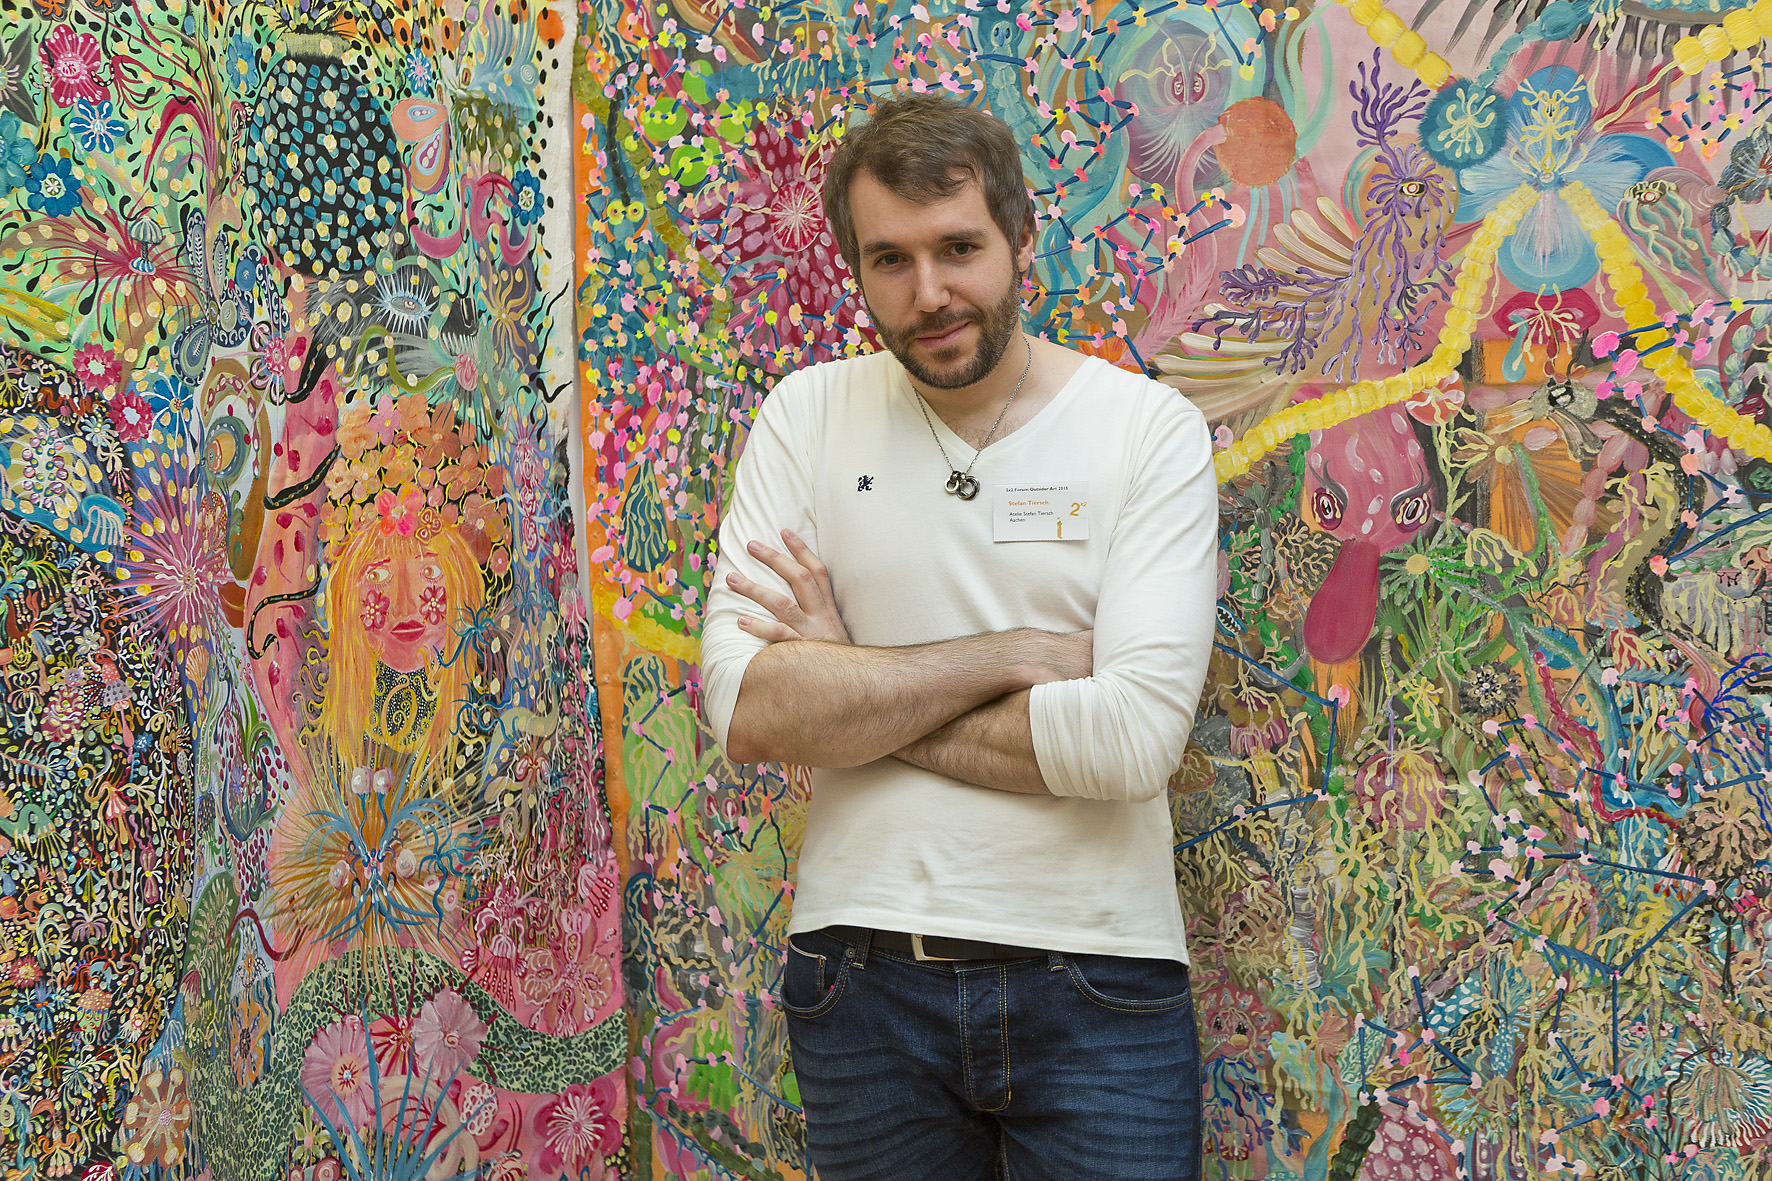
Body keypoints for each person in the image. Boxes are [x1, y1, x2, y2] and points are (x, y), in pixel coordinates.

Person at [699, 92, 1217, 1181]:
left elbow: (1130, 743)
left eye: (958, 248)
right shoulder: (806, 415)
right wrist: (1011, 654)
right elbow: (749, 711)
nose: (928, 292)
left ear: (1022, 238)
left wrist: (851, 685)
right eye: (889, 259)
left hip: (1100, 975)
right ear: (855, 269)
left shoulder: (1145, 430)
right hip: (861, 975)